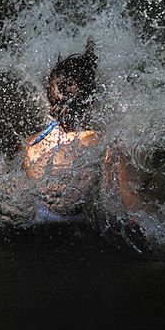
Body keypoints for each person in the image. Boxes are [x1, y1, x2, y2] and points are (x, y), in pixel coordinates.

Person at [23, 41, 144, 220]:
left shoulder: (31, 143)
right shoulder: (105, 146)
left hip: (37, 217)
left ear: (50, 97)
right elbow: (133, 208)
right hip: (74, 226)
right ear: (90, 100)